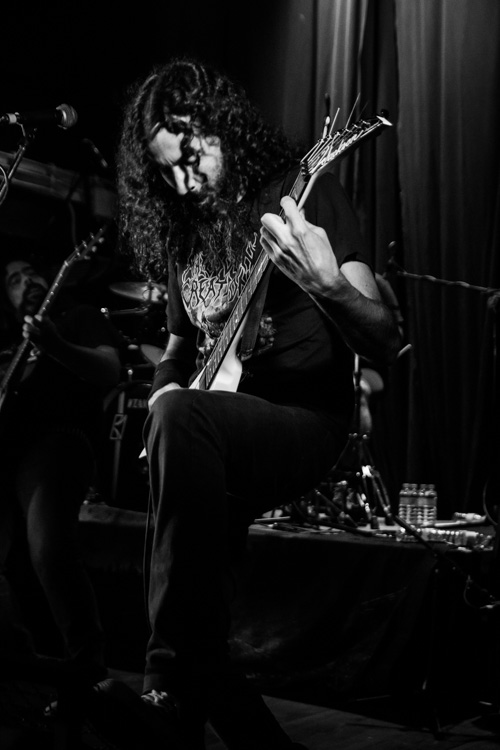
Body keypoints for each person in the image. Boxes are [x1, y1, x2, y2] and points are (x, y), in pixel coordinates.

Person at [85, 56, 403, 750]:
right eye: (165, 172)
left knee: (180, 421)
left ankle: (164, 684)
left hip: (304, 422)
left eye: (190, 159)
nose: (183, 182)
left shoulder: (300, 193)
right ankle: (193, 717)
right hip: (212, 423)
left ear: (219, 127)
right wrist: (167, 386)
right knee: (203, 621)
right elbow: (177, 347)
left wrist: (329, 286)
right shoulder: (185, 230)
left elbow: (384, 339)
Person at [0, 246, 121, 682]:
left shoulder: (77, 318)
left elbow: (110, 370)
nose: (27, 282)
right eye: (14, 281)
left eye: (31, 272)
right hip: (8, 452)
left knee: (49, 548)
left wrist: (55, 345)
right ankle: (17, 665)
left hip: (57, 441)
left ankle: (89, 669)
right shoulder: (6, 348)